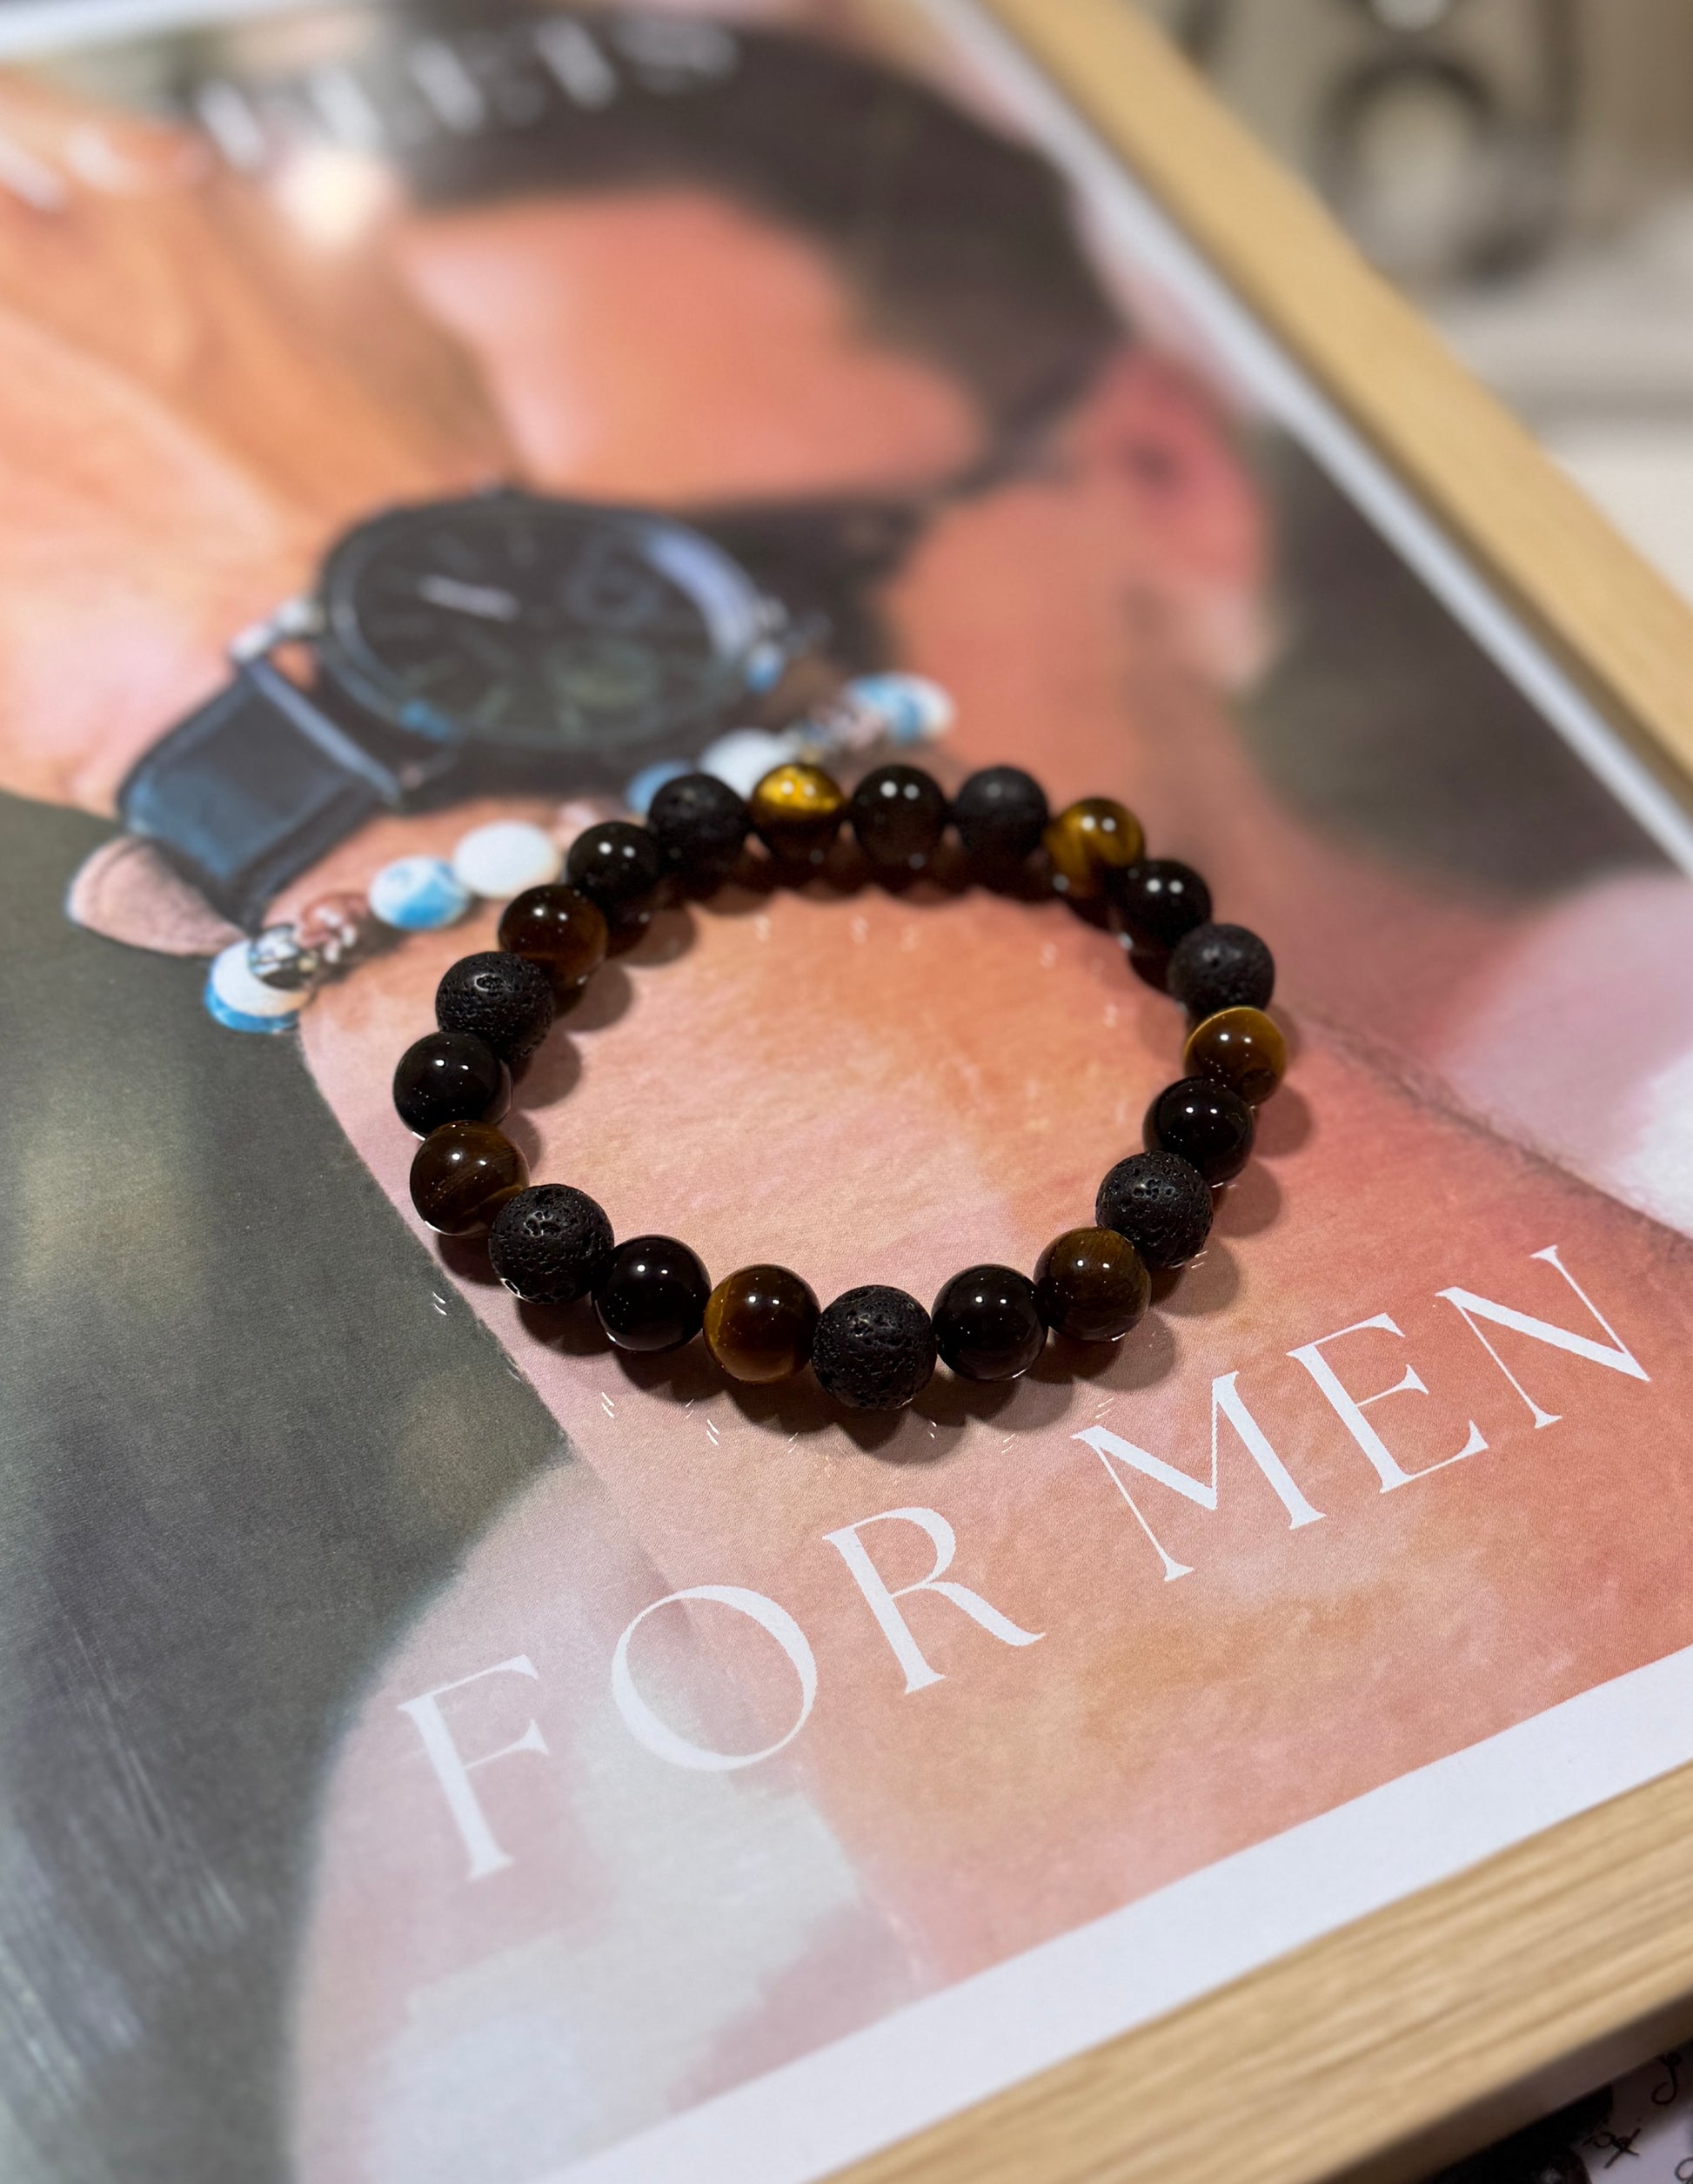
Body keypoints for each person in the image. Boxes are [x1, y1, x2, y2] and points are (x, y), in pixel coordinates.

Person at [3, 9, 1693, 2178]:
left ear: (1170, 494)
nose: (697, 728)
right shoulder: (475, 1730)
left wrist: (266, 638)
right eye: (504, 608)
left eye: (716, 598)